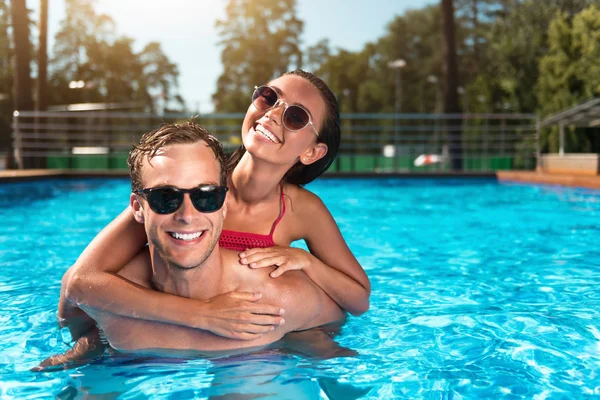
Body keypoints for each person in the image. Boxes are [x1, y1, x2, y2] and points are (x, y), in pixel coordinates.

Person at [53, 69, 369, 357]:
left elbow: (358, 299)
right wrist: (202, 314)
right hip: (172, 316)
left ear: (312, 151)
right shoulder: (189, 186)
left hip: (246, 327)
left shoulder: (302, 209)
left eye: (296, 117)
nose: (272, 114)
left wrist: (307, 261)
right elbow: (80, 281)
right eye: (269, 97)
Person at [73, 122, 344, 355]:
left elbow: (339, 325)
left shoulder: (277, 299)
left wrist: (307, 341)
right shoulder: (105, 305)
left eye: (205, 195)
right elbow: (75, 294)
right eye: (165, 197)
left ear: (224, 203)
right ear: (138, 208)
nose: (187, 215)